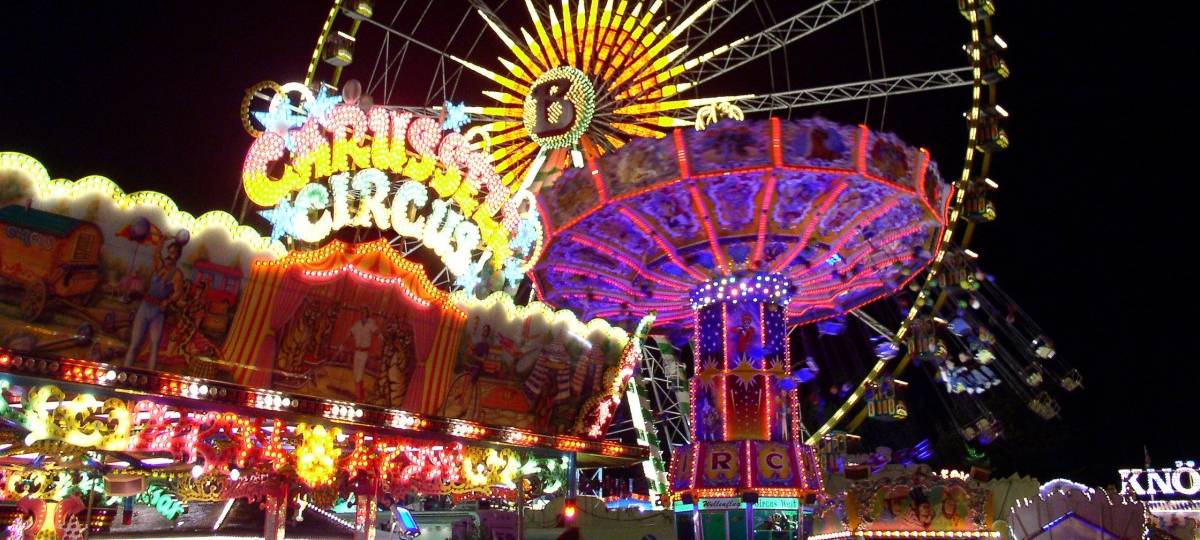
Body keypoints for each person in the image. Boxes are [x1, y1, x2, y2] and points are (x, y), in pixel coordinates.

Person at [124, 241, 185, 370]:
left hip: (157, 312)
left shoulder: (177, 274)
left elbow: (178, 293)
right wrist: (162, 240)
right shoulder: (160, 267)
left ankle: (149, 376)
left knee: (154, 345)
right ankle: (125, 370)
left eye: (173, 253)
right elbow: (156, 253)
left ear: (178, 256)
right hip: (145, 306)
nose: (169, 255)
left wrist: (167, 301)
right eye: (169, 252)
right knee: (135, 343)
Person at [344, 306, 379, 400]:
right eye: (362, 312)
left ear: (367, 314)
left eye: (365, 312)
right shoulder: (358, 324)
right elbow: (351, 333)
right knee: (356, 373)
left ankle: (358, 396)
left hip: (364, 352)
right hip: (357, 352)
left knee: (359, 374)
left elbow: (377, 332)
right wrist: (344, 341)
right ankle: (360, 393)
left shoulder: (371, 324)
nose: (363, 314)